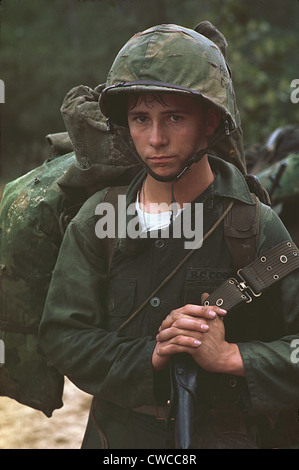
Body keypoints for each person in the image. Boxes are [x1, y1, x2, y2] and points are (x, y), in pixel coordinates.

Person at [38, 24, 299, 449]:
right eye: (141, 119)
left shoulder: (254, 224)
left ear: (210, 121)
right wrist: (150, 357)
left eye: (174, 118)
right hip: (116, 440)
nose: (155, 139)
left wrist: (233, 358)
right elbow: (63, 336)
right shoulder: (102, 218)